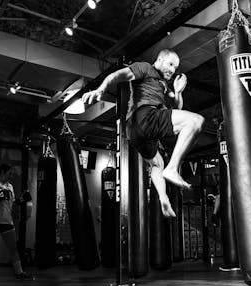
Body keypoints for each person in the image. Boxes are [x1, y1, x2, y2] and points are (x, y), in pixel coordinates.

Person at [82, 49, 204, 218]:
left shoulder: (163, 84)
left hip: (136, 134)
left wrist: (178, 92)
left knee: (157, 164)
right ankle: (173, 168)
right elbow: (118, 75)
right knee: (196, 121)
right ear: (159, 59)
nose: (172, 70)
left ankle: (163, 198)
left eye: (175, 67)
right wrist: (101, 88)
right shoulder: (145, 68)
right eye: (170, 64)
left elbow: (177, 108)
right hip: (144, 117)